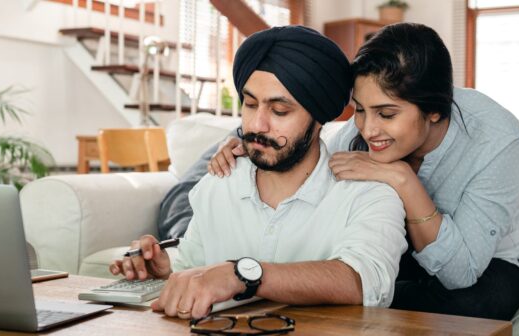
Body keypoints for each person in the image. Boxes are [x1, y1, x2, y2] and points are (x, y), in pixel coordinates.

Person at [207, 23, 519, 320]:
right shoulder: (353, 137)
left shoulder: (497, 139)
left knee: (477, 305)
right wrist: (248, 144)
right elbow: (305, 152)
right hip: (398, 255)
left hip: (485, 264)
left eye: (387, 114)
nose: (368, 129)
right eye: (360, 110)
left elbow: (461, 272)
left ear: (435, 111)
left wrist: (403, 179)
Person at [110, 25, 407, 320]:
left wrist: (243, 275)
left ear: (320, 118)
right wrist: (164, 270)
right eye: (250, 104)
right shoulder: (220, 180)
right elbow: (193, 263)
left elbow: (365, 283)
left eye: (279, 111)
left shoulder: (369, 192)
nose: (257, 125)